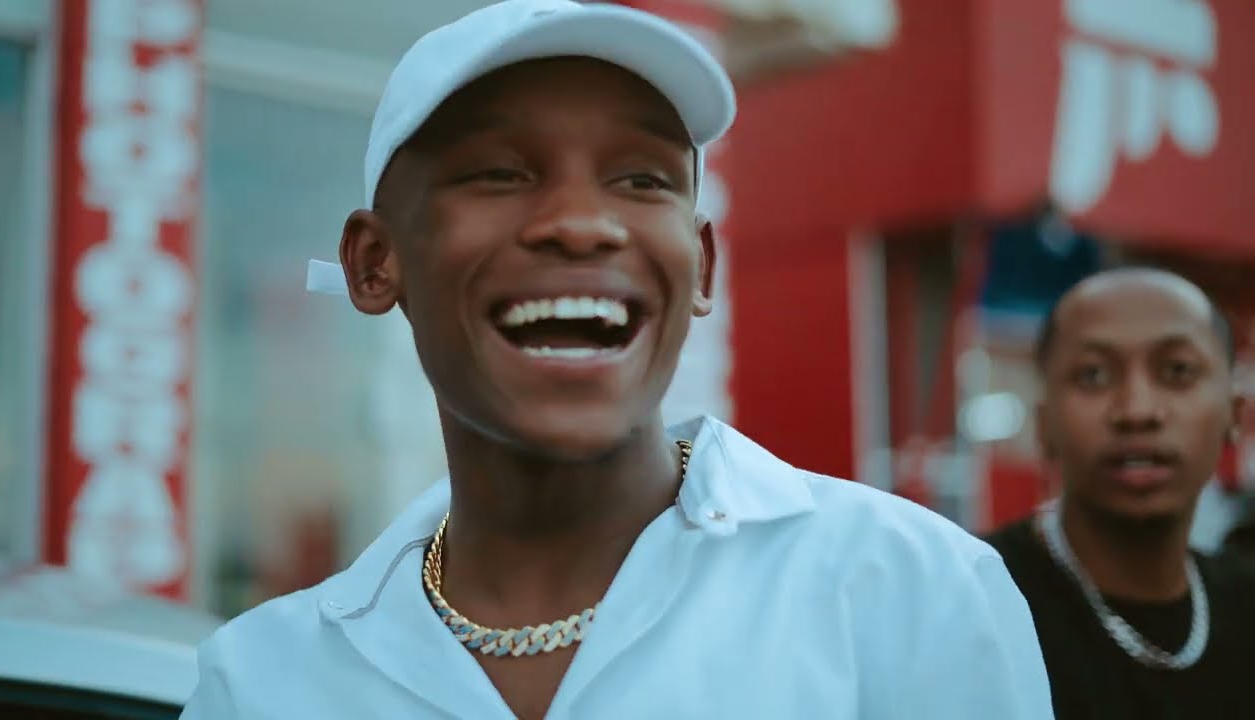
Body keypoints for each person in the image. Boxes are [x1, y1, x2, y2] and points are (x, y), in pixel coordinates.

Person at [182, 1, 1052, 718]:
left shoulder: (907, 591)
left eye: (642, 179)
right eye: (497, 172)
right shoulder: (264, 683)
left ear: (702, 265)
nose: (581, 224)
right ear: (377, 264)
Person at [987, 267, 1255, 720]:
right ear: (1044, 424)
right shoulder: (979, 602)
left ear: (1234, 414)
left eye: (1177, 371)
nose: (1137, 410)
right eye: (1093, 375)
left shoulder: (1246, 604)